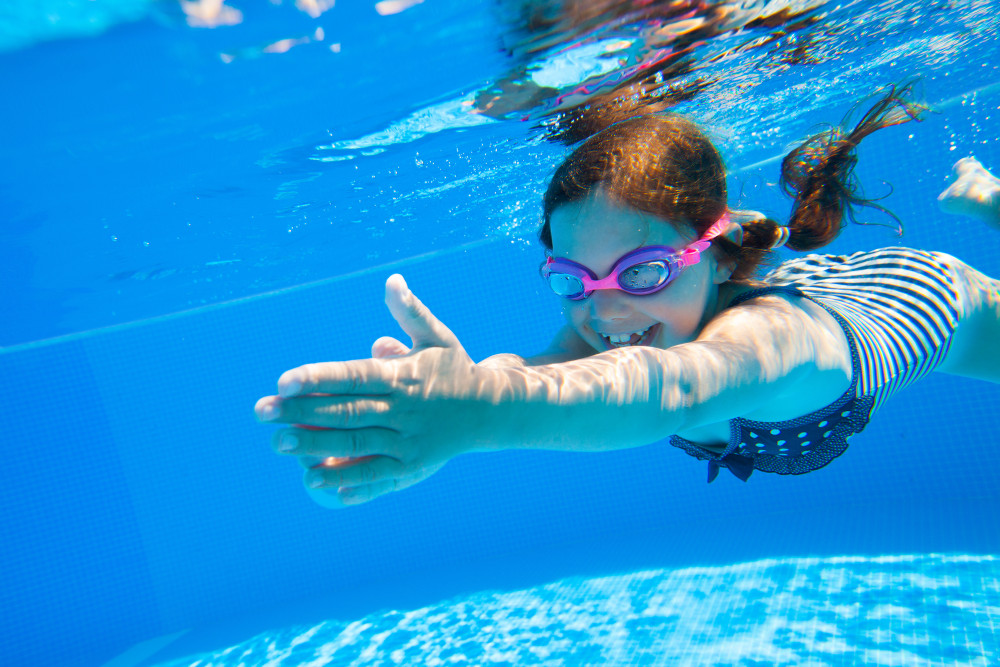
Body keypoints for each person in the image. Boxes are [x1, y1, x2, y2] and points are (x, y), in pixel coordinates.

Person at [255, 83, 1000, 508]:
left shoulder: (773, 346)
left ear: (707, 248)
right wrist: (457, 393)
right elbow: (541, 374)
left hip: (927, 302)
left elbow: (673, 391)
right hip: (813, 284)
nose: (605, 314)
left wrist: (482, 418)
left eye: (643, 273)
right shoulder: (613, 325)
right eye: (574, 281)